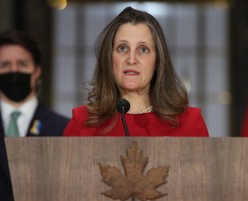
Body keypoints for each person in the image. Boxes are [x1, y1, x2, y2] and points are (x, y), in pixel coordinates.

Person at [64, 7, 209, 137]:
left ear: (158, 60)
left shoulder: (190, 123)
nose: (131, 59)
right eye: (122, 48)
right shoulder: (82, 122)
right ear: (109, 58)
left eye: (143, 49)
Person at [0, 30, 69, 200]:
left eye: (22, 64)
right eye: (5, 65)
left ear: (37, 71)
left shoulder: (63, 128)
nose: (14, 71)